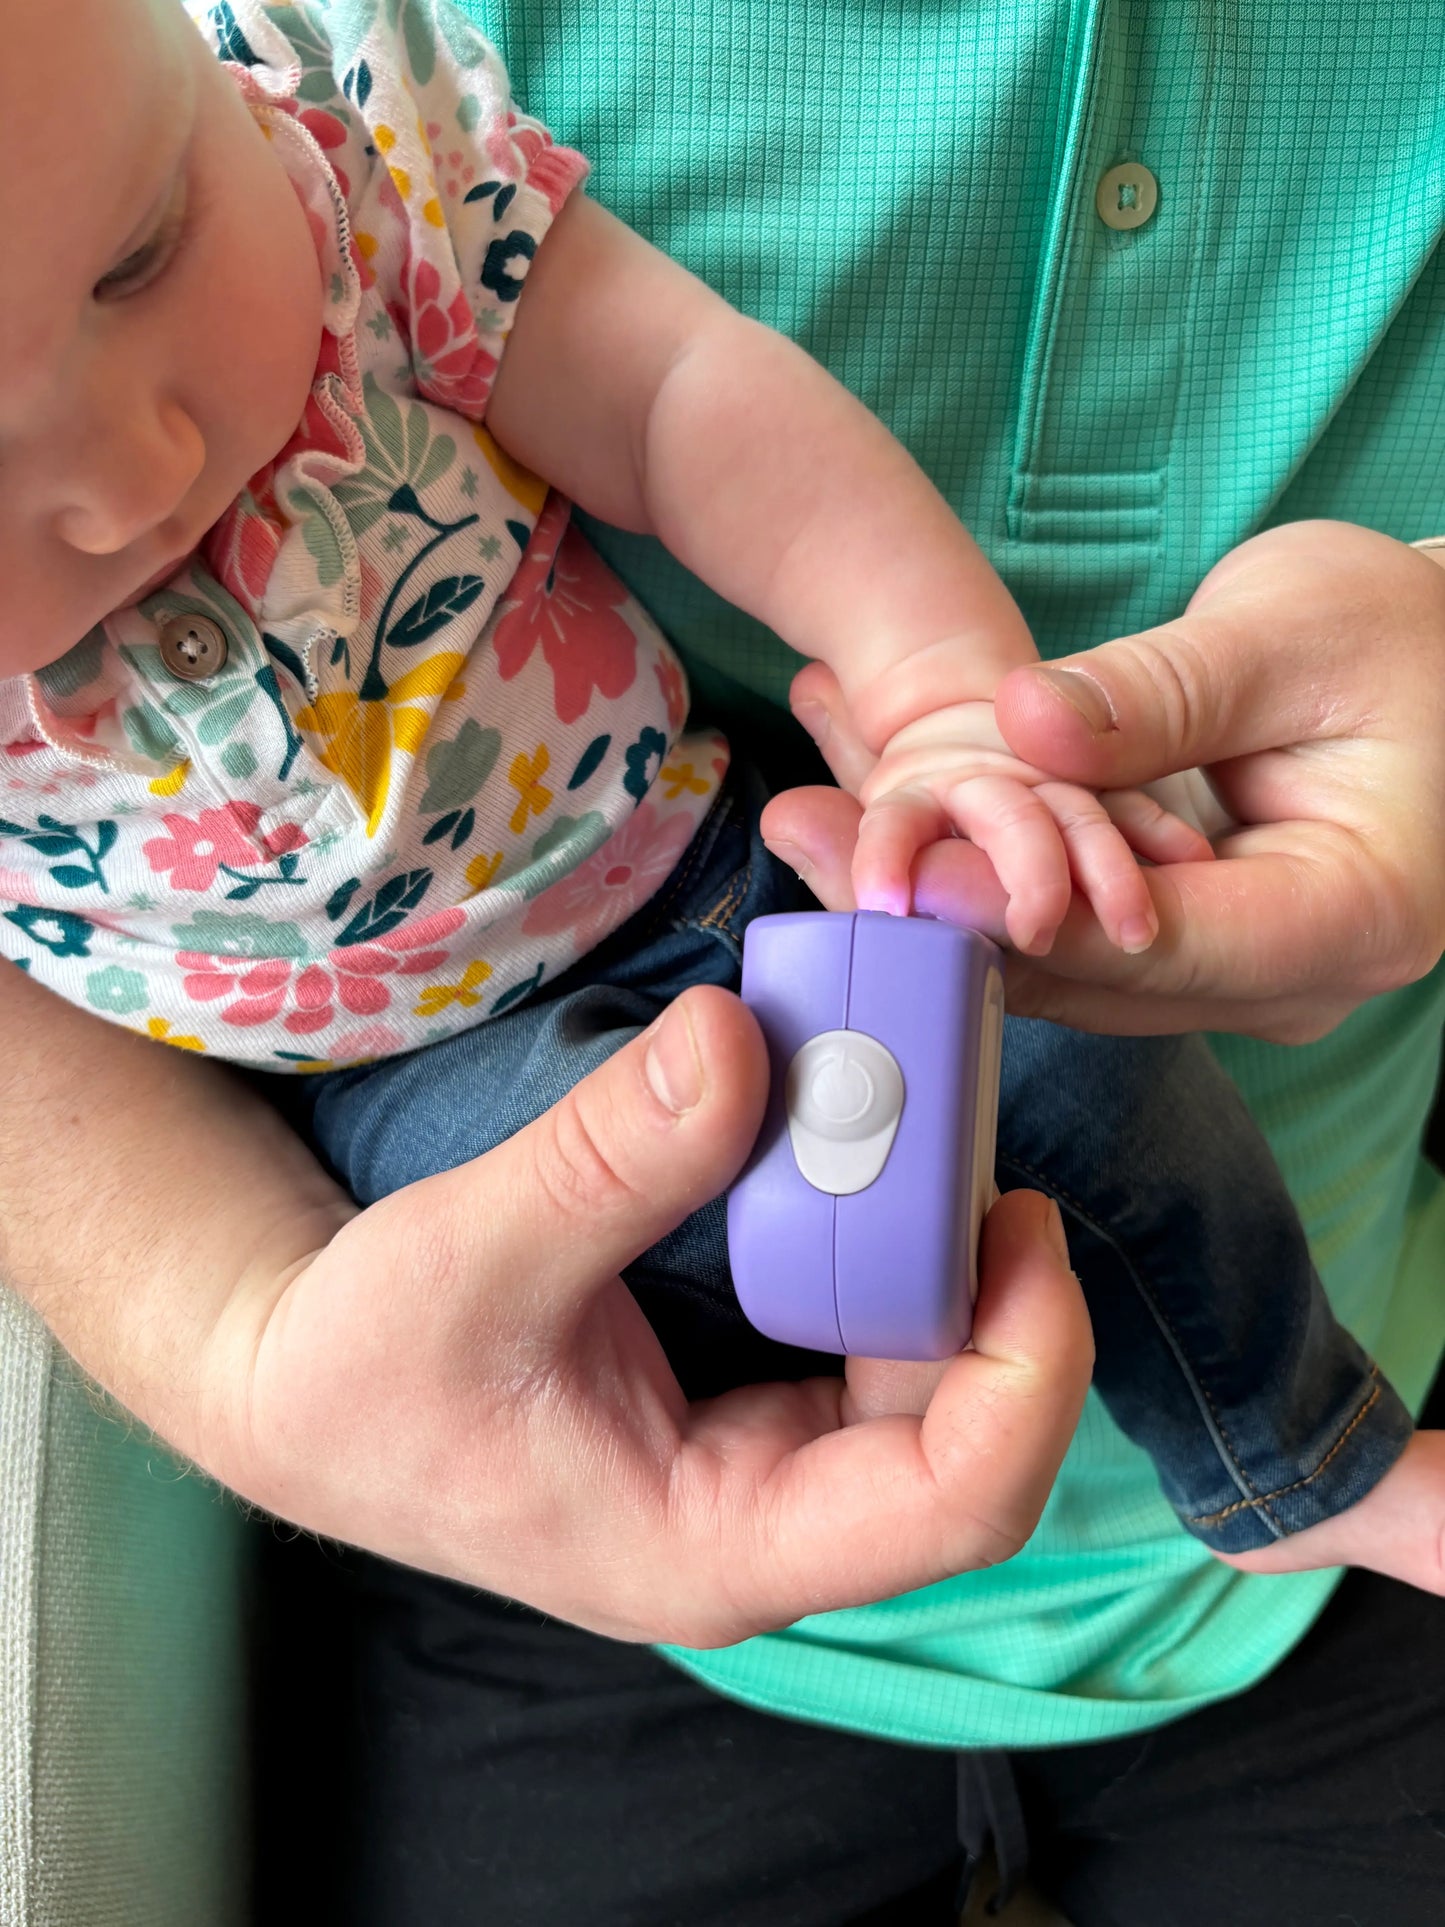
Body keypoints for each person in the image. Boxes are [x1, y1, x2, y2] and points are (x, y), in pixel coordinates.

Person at [2, 1, 1444, 1923]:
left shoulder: (341, 156)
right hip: (400, 1111)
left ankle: (1297, 1459)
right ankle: (855, 1365)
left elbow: (680, 396)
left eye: (142, 251)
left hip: (699, 851)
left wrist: (938, 696)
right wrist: (245, 1346)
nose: (135, 462)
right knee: (685, 1186)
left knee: (1081, 1074)